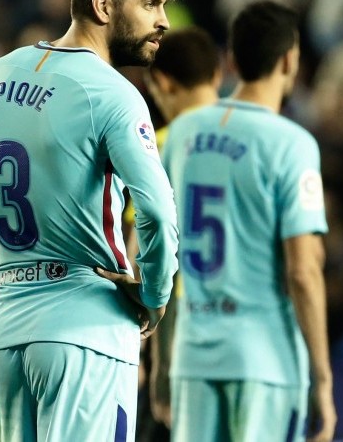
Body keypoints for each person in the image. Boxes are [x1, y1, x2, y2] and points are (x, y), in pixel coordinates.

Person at [0, 0, 188, 441]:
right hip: (86, 330)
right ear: (103, 5)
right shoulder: (112, 94)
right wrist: (153, 293)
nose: (163, 21)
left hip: (7, 333)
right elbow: (157, 211)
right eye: (150, 3)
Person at [154, 0, 337, 441]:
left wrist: (162, 361)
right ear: (290, 61)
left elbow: (158, 251)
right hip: (264, 359)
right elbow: (303, 270)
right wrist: (324, 380)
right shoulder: (292, 145)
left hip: (193, 357)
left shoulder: (180, 136)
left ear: (231, 61)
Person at [125, 26, 222, 442]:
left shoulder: (158, 147)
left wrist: (147, 355)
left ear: (160, 83)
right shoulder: (260, 140)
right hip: (248, 336)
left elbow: (142, 254)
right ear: (217, 76)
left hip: (180, 335)